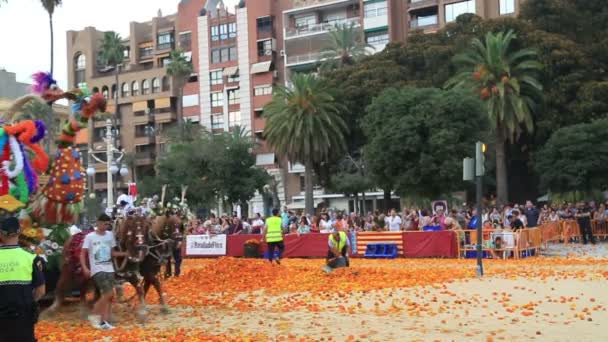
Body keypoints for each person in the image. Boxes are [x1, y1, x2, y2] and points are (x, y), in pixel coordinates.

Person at [0, 217, 45, 342]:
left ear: (1, 234)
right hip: (23, 316)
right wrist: (30, 301)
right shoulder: (31, 258)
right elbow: (41, 291)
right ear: (19, 232)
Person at [81, 214, 128, 330]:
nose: (106, 226)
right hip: (97, 269)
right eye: (104, 223)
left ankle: (104, 322)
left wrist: (126, 254)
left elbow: (112, 253)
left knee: (108, 297)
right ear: (98, 223)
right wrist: (85, 268)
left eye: (108, 224)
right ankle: (93, 314)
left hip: (109, 269)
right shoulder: (90, 237)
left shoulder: (110, 235)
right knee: (108, 294)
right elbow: (83, 253)